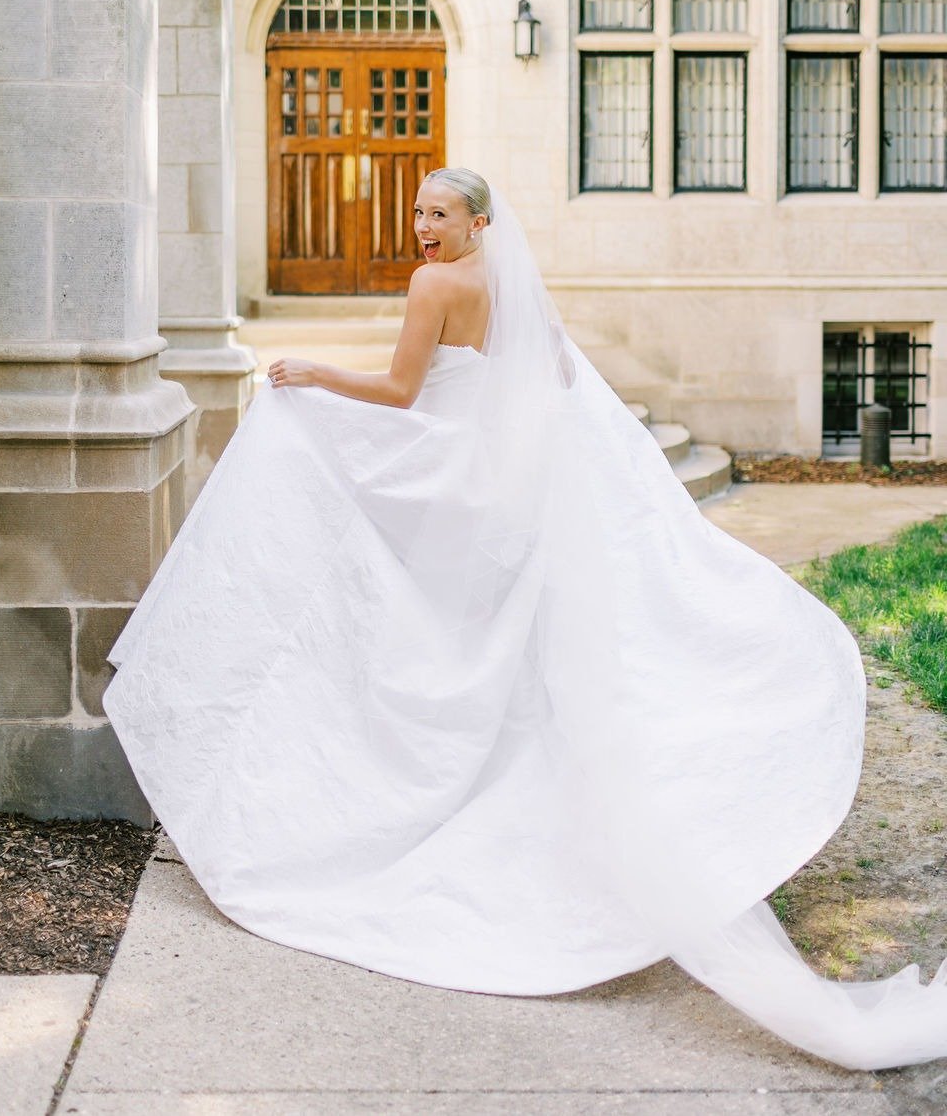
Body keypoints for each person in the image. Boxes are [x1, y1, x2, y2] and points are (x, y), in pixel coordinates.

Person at [103, 168, 947, 1071]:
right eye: (419, 211)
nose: (422, 226)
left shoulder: (434, 285)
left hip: (469, 486)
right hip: (515, 489)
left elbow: (398, 394)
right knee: (519, 655)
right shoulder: (509, 281)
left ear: (478, 223)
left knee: (416, 601)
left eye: (440, 214)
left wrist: (310, 373)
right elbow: (552, 376)